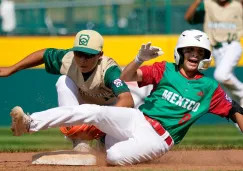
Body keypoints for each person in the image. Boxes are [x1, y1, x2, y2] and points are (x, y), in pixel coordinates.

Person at [10, 29, 243, 166]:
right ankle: (29, 123)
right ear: (181, 52)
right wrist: (139, 59)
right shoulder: (166, 69)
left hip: (159, 139)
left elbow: (235, 111)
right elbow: (127, 76)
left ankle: (101, 146)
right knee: (95, 111)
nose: (194, 55)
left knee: (113, 156)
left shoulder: (210, 87)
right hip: (137, 119)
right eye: (190, 50)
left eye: (200, 52)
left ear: (206, 57)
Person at [0, 29, 134, 163]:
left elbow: (127, 100)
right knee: (63, 81)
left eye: (88, 55)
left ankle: (102, 142)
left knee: (113, 155)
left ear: (99, 55)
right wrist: (12, 69)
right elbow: (44, 54)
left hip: (110, 110)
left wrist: (101, 119)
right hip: (81, 107)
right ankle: (77, 140)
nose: (82, 60)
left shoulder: (109, 70)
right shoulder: (69, 59)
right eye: (79, 53)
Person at [184, 0, 243, 107]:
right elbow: (188, 18)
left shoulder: (238, 5)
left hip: (232, 45)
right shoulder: (208, 4)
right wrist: (197, 1)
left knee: (221, 75)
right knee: (230, 95)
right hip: (216, 50)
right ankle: (240, 121)